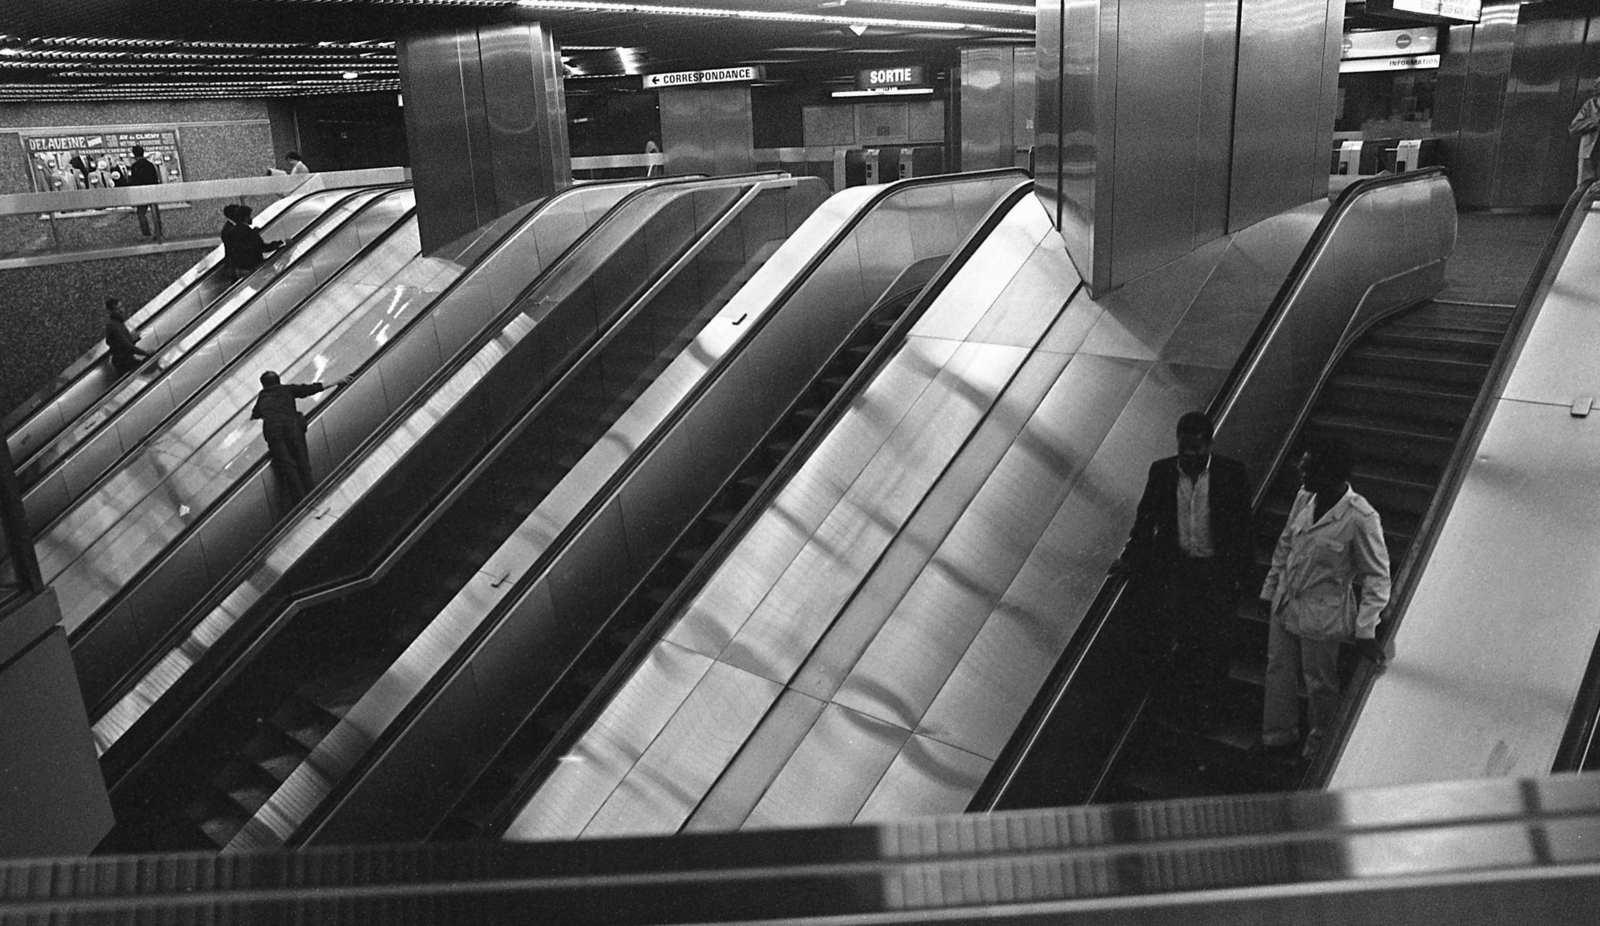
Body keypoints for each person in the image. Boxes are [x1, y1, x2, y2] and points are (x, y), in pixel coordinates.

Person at [1112, 411, 1253, 719]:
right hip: (1180, 571)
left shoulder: (1231, 473)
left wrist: (1241, 576)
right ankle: (1188, 706)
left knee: (1215, 641)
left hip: (1215, 572)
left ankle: (1211, 707)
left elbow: (1243, 527)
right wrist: (1130, 556)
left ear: (1210, 444)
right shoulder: (1162, 472)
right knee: (1185, 639)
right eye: (1184, 449)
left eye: (1196, 449)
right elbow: (1145, 518)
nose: (1190, 455)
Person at [1256, 436, 1390, 761]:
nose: (1300, 470)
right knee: (1278, 668)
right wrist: (1270, 587)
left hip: (1323, 612)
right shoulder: (1305, 497)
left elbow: (1377, 576)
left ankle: (1318, 746)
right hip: (1287, 599)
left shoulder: (1361, 517)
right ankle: (1278, 736)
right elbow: (1286, 544)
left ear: (1330, 472)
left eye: (1308, 466)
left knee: (1319, 683)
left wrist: (1366, 628)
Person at [251, 370, 353, 505]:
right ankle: (312, 494)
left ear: (263, 385)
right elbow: (309, 389)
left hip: (274, 432)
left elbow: (255, 414)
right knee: (302, 461)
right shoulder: (287, 389)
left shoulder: (263, 396)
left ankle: (301, 500)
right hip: (293, 428)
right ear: (279, 381)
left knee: (288, 466)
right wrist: (336, 381)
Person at [220, 204, 284, 279]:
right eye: (249, 216)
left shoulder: (236, 230)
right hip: (252, 267)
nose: (251, 218)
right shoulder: (245, 232)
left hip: (241, 267)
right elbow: (261, 247)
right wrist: (279, 244)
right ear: (245, 217)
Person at [104, 297, 154, 376]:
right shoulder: (114, 326)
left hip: (125, 361)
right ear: (111, 311)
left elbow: (117, 343)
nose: (121, 311)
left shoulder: (117, 323)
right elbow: (126, 345)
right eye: (117, 309)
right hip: (125, 363)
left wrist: (132, 339)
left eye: (121, 307)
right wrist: (145, 353)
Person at [128, 144, 160, 237]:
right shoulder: (150, 165)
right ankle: (158, 232)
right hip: (152, 192)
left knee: (141, 213)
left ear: (134, 155)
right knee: (155, 212)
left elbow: (134, 181)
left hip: (141, 193)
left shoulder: (135, 166)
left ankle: (146, 233)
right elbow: (155, 179)